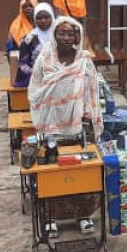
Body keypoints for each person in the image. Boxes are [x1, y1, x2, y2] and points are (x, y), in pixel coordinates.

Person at [28, 16, 104, 236]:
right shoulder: (45, 59)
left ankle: (83, 215)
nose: (66, 37)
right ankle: (51, 217)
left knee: (81, 171)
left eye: (71, 33)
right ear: (54, 35)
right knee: (53, 172)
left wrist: (89, 119)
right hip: (51, 124)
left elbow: (92, 92)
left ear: (77, 37)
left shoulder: (84, 60)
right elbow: (35, 90)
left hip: (79, 125)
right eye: (62, 33)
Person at [14, 3, 56, 88]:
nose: (43, 21)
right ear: (34, 19)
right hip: (34, 80)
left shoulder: (59, 36)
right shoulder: (28, 39)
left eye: (46, 17)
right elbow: (22, 64)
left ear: (52, 17)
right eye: (39, 18)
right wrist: (38, 74)